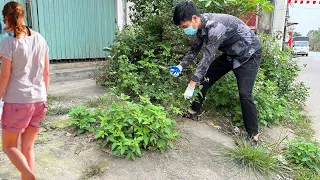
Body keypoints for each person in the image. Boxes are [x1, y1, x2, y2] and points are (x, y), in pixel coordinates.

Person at [169, 1, 262, 144]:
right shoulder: (200, 26)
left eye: (185, 26)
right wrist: (181, 66)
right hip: (231, 54)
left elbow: (207, 58)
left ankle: (253, 135)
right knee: (205, 79)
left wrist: (192, 84)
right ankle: (193, 111)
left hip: (249, 55)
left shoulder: (215, 27)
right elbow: (194, 50)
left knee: (245, 94)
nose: (184, 30)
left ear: (194, 18)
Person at [0, 1, 50, 179]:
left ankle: (29, 175)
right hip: (39, 100)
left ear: (6, 19)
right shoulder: (41, 39)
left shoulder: (9, 43)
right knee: (27, 147)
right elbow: (46, 74)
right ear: (23, 16)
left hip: (17, 101)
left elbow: (4, 76)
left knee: (9, 146)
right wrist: (43, 96)